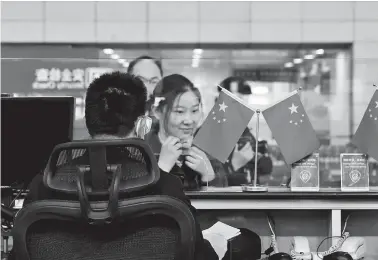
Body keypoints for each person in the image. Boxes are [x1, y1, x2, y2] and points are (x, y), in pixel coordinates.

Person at [24, 72, 219, 260]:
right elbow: (199, 253)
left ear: (88, 121)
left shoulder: (43, 185)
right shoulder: (166, 186)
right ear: (141, 125)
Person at [145, 74, 228, 189]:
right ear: (157, 112)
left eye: (194, 111)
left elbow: (225, 201)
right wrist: (162, 167)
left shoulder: (206, 150)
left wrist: (208, 175)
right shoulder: (141, 149)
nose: (189, 121)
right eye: (179, 111)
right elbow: (135, 200)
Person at [218, 76, 273, 185]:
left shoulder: (244, 130)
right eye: (235, 99)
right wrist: (233, 166)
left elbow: (262, 169)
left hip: (249, 196)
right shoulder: (211, 133)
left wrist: (261, 159)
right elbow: (208, 181)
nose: (241, 105)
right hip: (225, 199)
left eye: (243, 100)